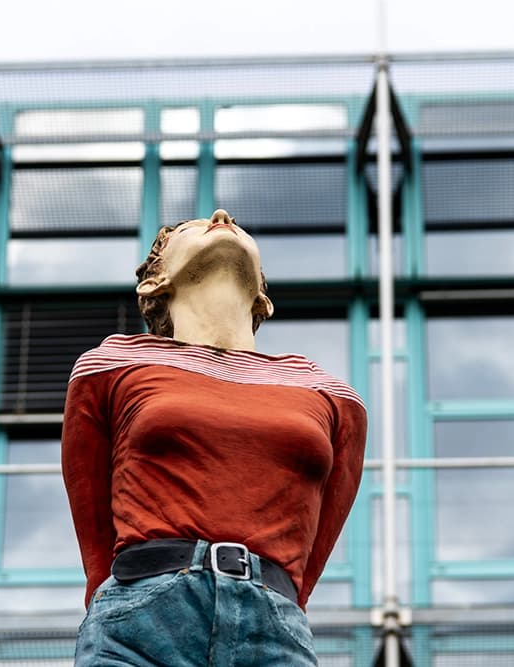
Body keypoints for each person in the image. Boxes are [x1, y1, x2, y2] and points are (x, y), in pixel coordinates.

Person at [62, 209, 367, 666]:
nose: (222, 216)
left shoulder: (328, 393)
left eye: (238, 226)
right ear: (154, 282)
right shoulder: (113, 365)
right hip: (142, 615)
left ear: (262, 296)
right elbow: (94, 527)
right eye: (187, 229)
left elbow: (315, 545)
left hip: (273, 623)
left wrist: (275, 603)